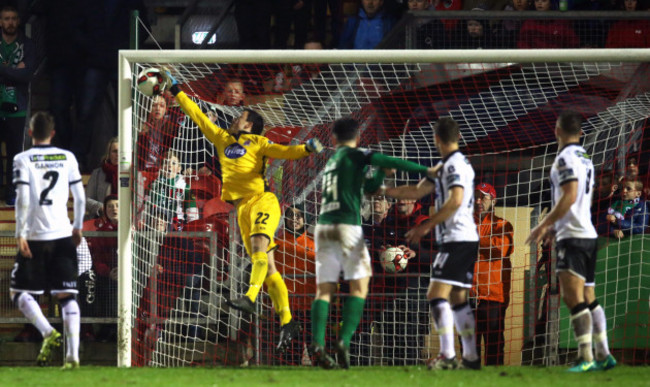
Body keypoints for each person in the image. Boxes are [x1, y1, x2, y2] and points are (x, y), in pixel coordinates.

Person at [164, 70, 324, 352]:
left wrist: (307, 149)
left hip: (263, 200)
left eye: (241, 117)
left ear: (249, 125)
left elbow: (285, 152)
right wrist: (177, 90)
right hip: (241, 209)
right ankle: (288, 320)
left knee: (259, 248)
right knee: (269, 266)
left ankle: (250, 298)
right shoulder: (223, 140)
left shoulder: (259, 143)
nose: (235, 118)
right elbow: (198, 116)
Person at [310, 117, 435, 369]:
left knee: (323, 290)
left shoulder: (333, 162)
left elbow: (370, 187)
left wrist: (379, 175)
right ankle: (344, 340)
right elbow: (392, 162)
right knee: (359, 289)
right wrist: (425, 171)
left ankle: (318, 344)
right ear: (357, 139)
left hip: (324, 228)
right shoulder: (358, 155)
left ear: (333, 139)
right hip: (348, 227)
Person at [382, 117, 481, 370]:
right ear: (457, 137)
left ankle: (447, 355)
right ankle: (470, 357)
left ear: (436, 139)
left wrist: (426, 225)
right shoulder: (447, 165)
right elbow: (416, 192)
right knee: (458, 298)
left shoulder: (453, 166)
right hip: (463, 239)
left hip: (457, 239)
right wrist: (385, 192)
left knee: (436, 294)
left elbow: (456, 200)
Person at [526, 110, 617, 372]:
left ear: (557, 131)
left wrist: (545, 225)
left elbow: (570, 194)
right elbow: (579, 199)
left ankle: (586, 356)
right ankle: (604, 353)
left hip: (574, 237)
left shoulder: (564, 158)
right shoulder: (585, 157)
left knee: (571, 296)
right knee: (588, 295)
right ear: (580, 133)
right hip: (587, 233)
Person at [10, 112, 85, 369]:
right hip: (64, 234)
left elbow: (22, 198)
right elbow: (81, 197)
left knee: (19, 293)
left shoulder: (22, 159)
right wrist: (77, 227)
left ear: (30, 133)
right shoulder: (68, 157)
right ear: (52, 133)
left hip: (35, 236)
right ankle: (72, 356)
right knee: (67, 296)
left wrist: (20, 232)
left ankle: (47, 332)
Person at [472, 182, 514, 366]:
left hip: (493, 297)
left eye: (484, 197)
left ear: (493, 201)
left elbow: (501, 249)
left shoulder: (503, 224)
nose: (479, 200)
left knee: (494, 351)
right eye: (476, 197)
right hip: (468, 295)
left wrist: (475, 239)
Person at [0, 5, 36, 206]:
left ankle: (11, 194)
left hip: (17, 107)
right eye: (6, 18)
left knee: (15, 154)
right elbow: (20, 73)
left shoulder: (27, 45)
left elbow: (27, 75)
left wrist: (3, 71)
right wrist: (14, 71)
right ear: (0, 22)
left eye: (13, 18)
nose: (10, 22)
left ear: (18, 21)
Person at [274, 204, 317, 363]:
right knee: (290, 356)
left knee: (317, 353)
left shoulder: (315, 243)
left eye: (298, 215)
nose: (294, 219)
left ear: (305, 219)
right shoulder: (277, 244)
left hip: (311, 306)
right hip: (287, 308)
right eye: (290, 215)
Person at [88, 194, 119, 341]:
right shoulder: (101, 232)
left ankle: (113, 328)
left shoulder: (133, 229)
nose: (114, 209)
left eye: (118, 205)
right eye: (110, 206)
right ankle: (109, 328)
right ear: (105, 210)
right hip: (108, 274)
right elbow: (97, 259)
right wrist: (108, 272)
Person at [143, 150, 199, 228]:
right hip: (159, 222)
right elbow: (146, 208)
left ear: (179, 169)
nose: (169, 166)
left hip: (178, 223)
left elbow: (192, 210)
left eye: (173, 163)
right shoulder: (153, 186)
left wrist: (192, 228)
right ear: (161, 167)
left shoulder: (184, 187)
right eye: (166, 163)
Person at [85, 137, 118, 219]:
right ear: (108, 154)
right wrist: (102, 208)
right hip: (101, 219)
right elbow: (86, 200)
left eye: (121, 152)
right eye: (115, 151)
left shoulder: (133, 173)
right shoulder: (97, 173)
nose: (118, 154)